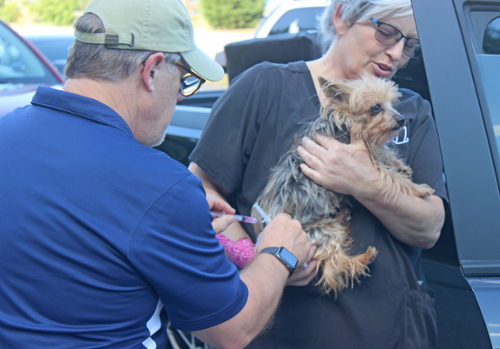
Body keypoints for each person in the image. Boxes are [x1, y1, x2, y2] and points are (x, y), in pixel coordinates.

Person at [0, 0, 314, 348]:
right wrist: (279, 253)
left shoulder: (6, 132)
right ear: (151, 70)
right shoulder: (160, 186)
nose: (180, 96)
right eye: (184, 80)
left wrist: (178, 225)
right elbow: (232, 329)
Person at [188, 0, 448, 347]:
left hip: (388, 330)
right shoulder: (265, 86)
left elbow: (429, 227)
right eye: (387, 32)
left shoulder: (411, 112)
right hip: (282, 329)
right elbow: (199, 192)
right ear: (341, 16)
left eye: (410, 45)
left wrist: (363, 182)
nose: (397, 53)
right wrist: (259, 261)